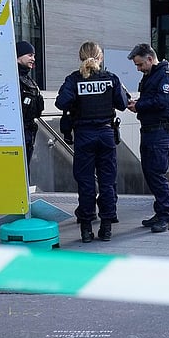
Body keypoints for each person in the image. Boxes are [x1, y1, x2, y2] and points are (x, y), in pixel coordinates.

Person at [55, 41, 128, 243]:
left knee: (86, 183)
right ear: (100, 57)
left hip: (84, 135)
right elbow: (122, 104)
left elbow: (61, 102)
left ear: (80, 57)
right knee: (107, 182)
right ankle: (106, 227)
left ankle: (86, 229)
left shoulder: (74, 79)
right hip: (106, 135)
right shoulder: (110, 78)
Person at [127, 43, 169, 233]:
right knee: (150, 173)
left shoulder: (166, 77)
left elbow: (163, 102)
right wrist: (139, 104)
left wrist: (139, 106)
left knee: (157, 173)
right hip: (149, 130)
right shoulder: (151, 76)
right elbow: (153, 100)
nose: (139, 69)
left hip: (160, 131)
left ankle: (166, 216)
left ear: (150, 58)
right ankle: (160, 212)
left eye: (140, 64)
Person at [16, 40, 44, 177]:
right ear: (18, 56)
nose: (33, 59)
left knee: (24, 172)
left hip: (28, 134)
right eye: (30, 55)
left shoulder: (29, 81)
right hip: (15, 134)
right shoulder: (13, 79)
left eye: (34, 55)